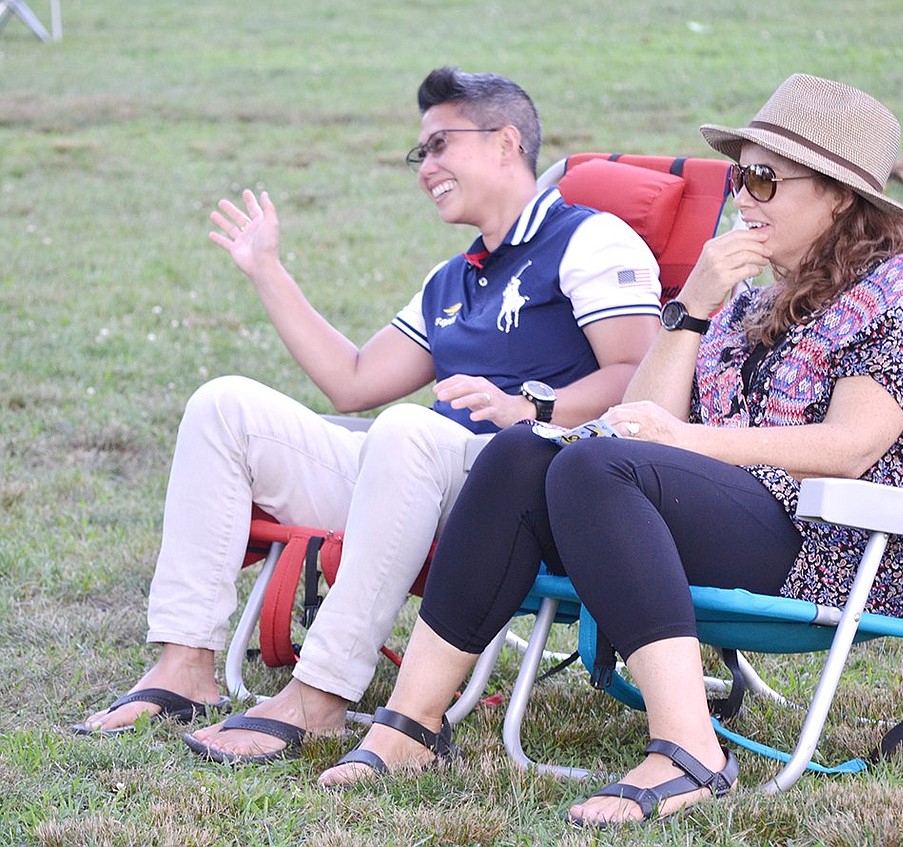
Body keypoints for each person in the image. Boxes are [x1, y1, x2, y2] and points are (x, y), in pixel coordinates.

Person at [317, 73, 903, 825]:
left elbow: (847, 448)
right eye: (741, 174)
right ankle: (413, 723)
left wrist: (684, 439)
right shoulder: (750, 296)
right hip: (740, 512)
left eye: (765, 178)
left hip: (836, 540)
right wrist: (692, 307)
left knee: (593, 464)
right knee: (522, 454)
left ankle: (690, 750)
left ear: (837, 195)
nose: (745, 196)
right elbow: (646, 417)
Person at [73, 66, 663, 763]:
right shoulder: (454, 277)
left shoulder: (590, 239)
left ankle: (321, 693)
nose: (427, 167)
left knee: (411, 427)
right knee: (224, 405)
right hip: (417, 474)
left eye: (441, 144)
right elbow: (353, 381)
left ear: (507, 143)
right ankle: (184, 668)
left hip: (525, 484)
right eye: (421, 153)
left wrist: (528, 404)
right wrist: (269, 269)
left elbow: (639, 377)